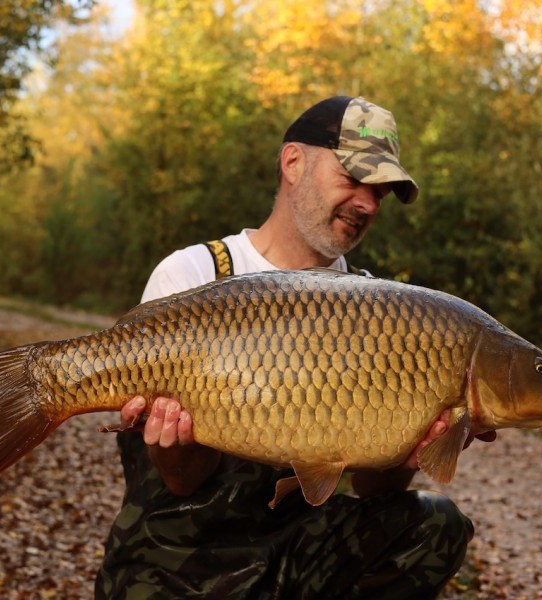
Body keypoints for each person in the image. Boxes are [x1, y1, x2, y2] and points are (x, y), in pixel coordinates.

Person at [95, 96, 492, 599]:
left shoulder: (382, 313)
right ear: (293, 162)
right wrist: (177, 445)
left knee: (436, 525)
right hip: (180, 561)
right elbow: (176, 483)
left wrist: (410, 453)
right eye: (353, 178)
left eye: (380, 191)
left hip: (293, 555)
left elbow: (372, 490)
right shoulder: (193, 273)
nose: (367, 203)